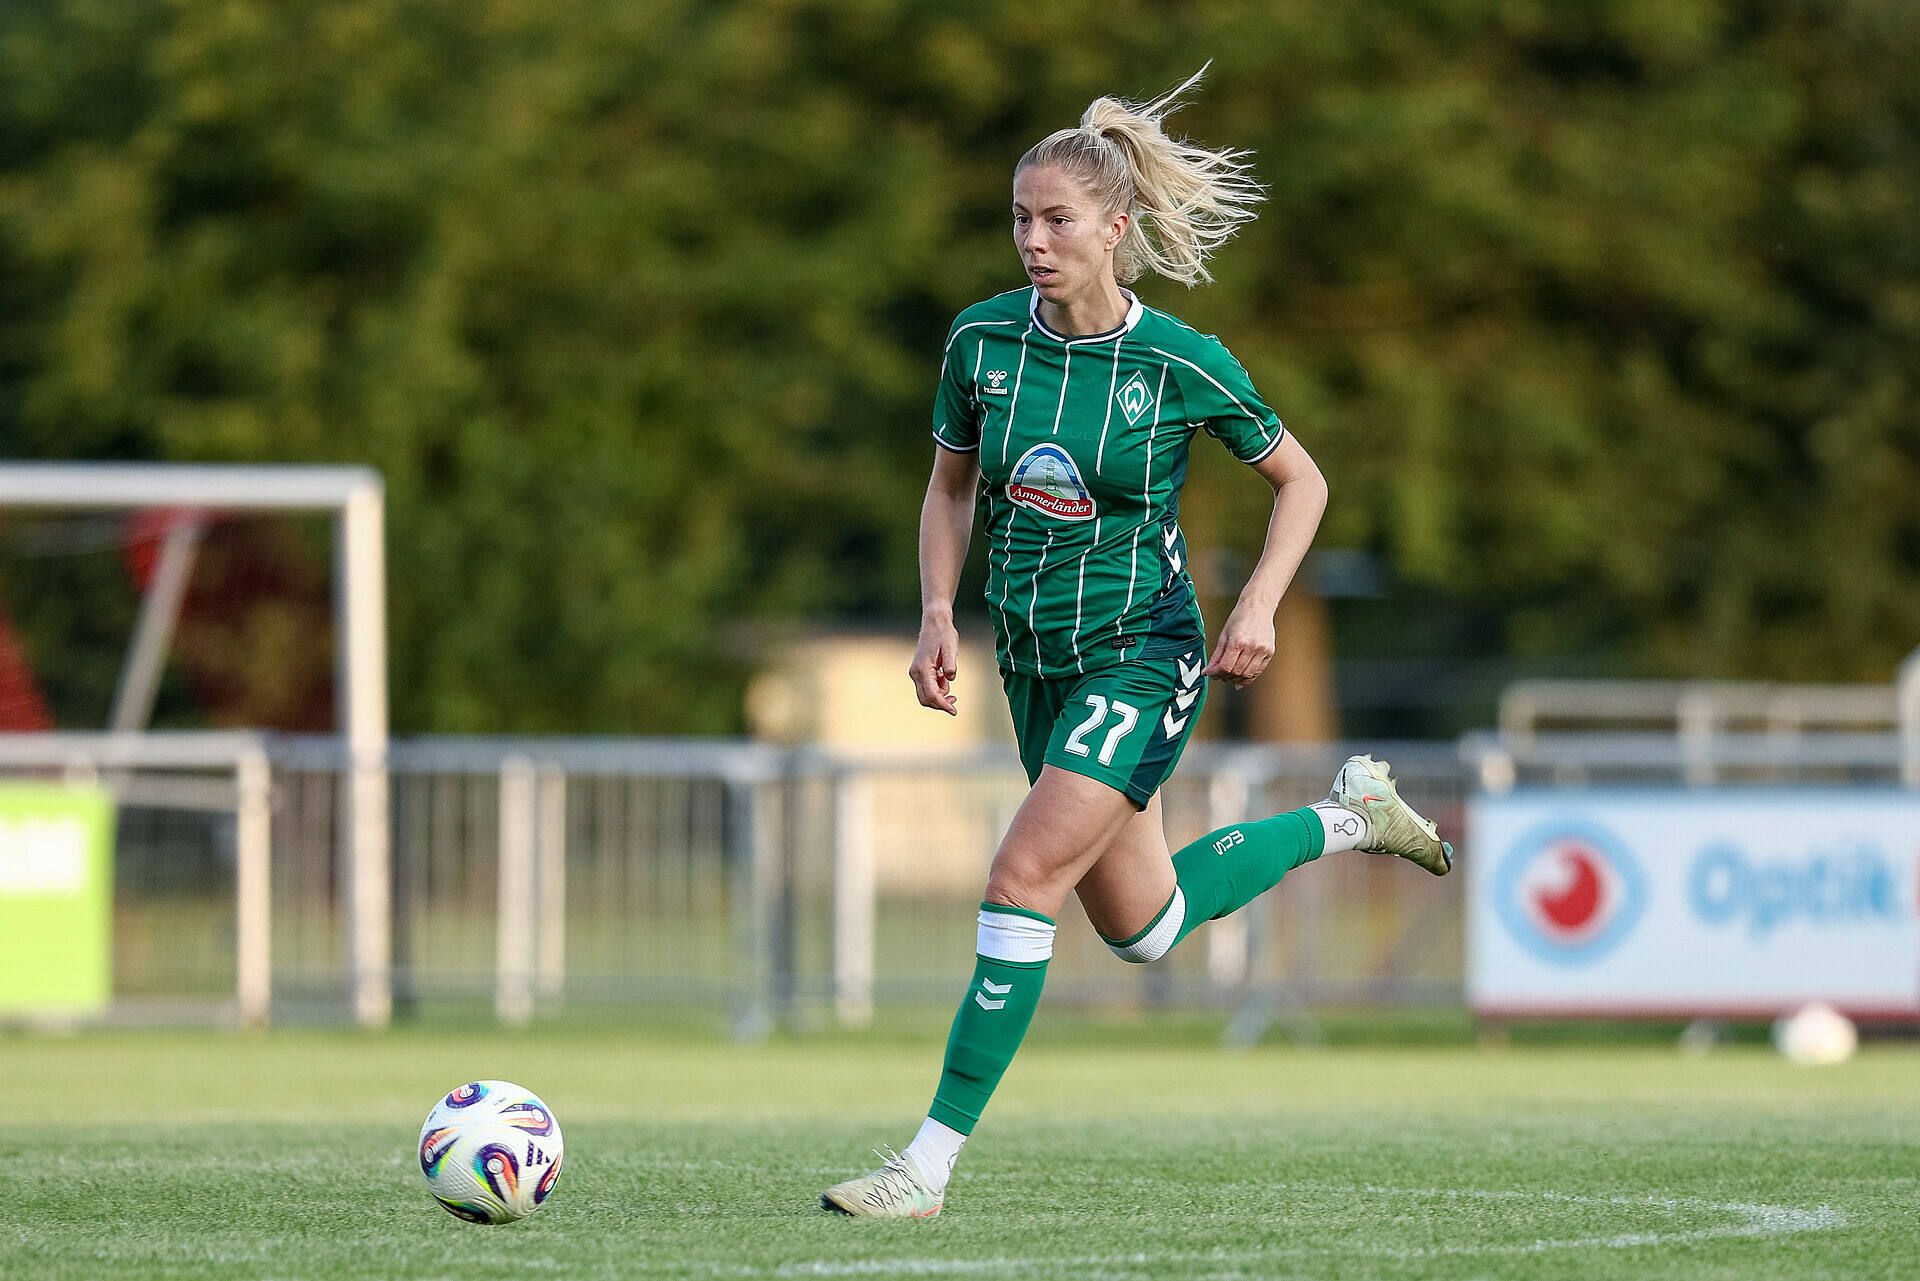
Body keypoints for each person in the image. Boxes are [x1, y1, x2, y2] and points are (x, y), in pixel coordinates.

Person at [821, 68, 1452, 1219]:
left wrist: (1257, 602)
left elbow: (1301, 480)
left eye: (1057, 220)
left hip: (1142, 651)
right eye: (1020, 217)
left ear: (1118, 228)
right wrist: (932, 614)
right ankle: (1352, 813)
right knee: (1147, 928)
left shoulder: (1179, 361)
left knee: (1021, 878)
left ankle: (926, 1166)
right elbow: (949, 487)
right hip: (1034, 659)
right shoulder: (981, 343)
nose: (1033, 240)